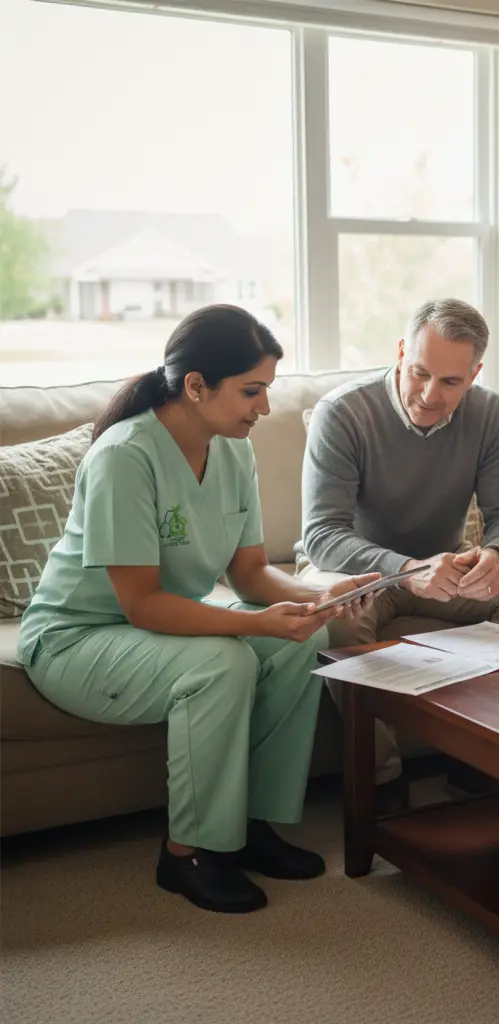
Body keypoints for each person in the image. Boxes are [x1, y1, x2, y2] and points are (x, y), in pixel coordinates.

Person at [17, 305, 378, 915]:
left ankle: (251, 826)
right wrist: (254, 623)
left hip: (160, 627)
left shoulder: (233, 450)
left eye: (266, 391)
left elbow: (249, 573)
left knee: (303, 644)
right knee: (223, 663)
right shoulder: (124, 458)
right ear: (195, 385)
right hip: (75, 639)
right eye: (251, 391)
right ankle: (187, 855)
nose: (264, 408)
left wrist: (321, 597)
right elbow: (141, 604)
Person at [299, 299, 499, 779]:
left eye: (450, 382)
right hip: (357, 571)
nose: (429, 394)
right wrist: (407, 570)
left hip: (444, 571)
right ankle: (380, 779)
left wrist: (497, 555)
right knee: (335, 619)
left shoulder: (489, 414)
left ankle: (484, 752)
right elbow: (321, 535)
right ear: (401, 351)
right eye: (419, 372)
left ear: (475, 373)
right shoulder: (341, 413)